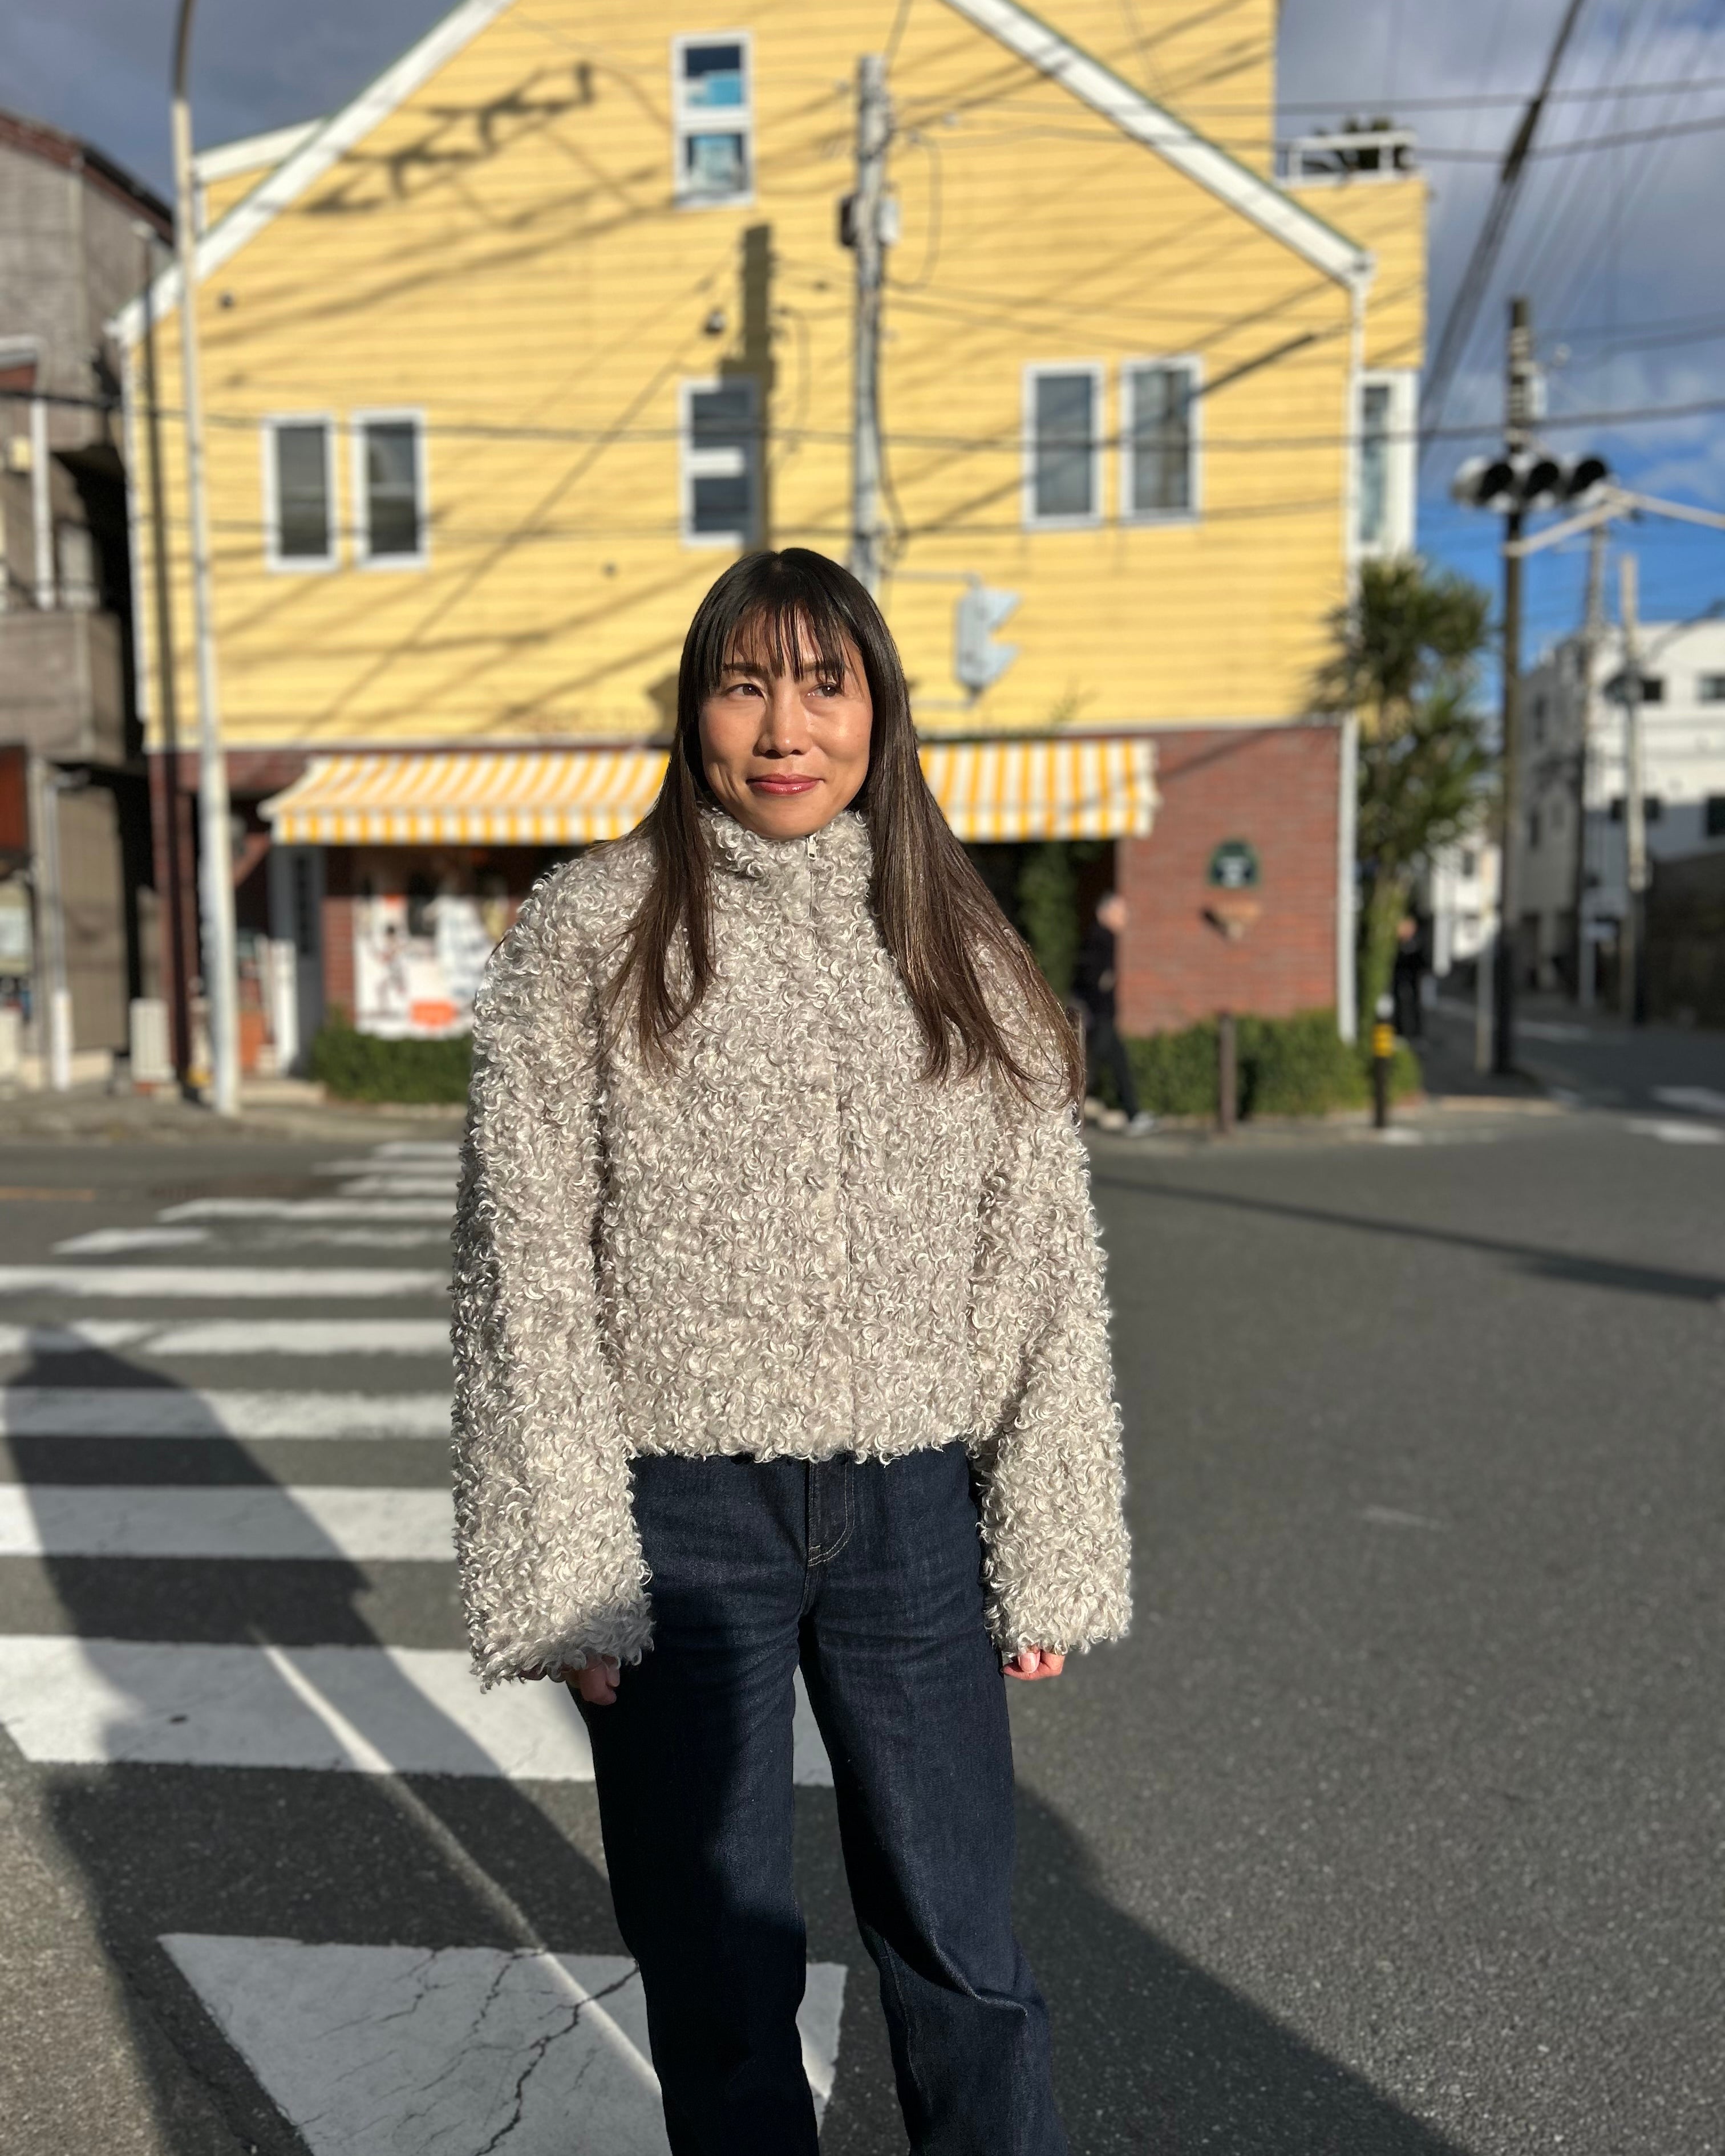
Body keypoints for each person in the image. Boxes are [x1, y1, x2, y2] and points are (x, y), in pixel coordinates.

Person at [452, 548, 1131, 2156]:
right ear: (691, 710)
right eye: (744, 683)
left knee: (967, 1957)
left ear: (881, 712)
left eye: (826, 685)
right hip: (681, 1515)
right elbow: (521, 1264)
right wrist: (566, 1567)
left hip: (914, 1512)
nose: (784, 728)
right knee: (720, 1976)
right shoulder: (594, 929)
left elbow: (1040, 1259)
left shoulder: (960, 940)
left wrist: (1046, 1537)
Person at [1074, 891, 1156, 1135]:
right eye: (1120, 912)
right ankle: (1072, 1114)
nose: (1125, 917)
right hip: (1099, 1016)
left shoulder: (1102, 937)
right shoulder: (1101, 938)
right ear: (1104, 913)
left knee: (1116, 1063)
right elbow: (1092, 978)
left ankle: (1132, 1114)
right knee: (1091, 1068)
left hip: (1103, 1015)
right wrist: (1102, 985)